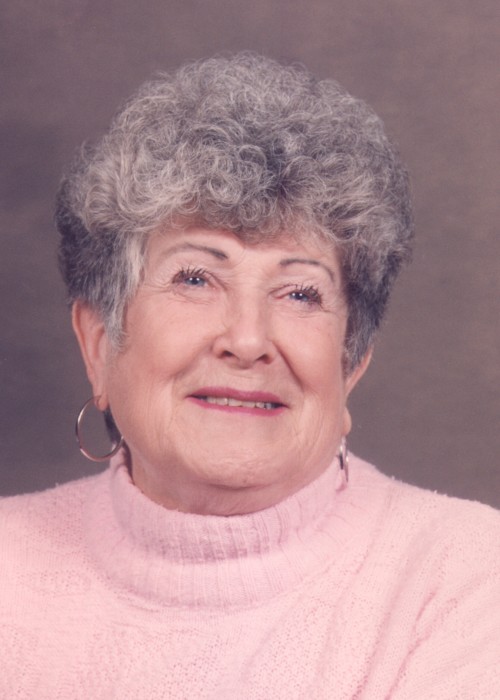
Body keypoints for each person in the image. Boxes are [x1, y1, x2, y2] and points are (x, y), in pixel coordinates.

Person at [1, 53, 499, 699]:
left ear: (351, 363)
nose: (246, 339)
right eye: (195, 279)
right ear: (99, 344)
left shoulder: (465, 577)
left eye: (300, 293)